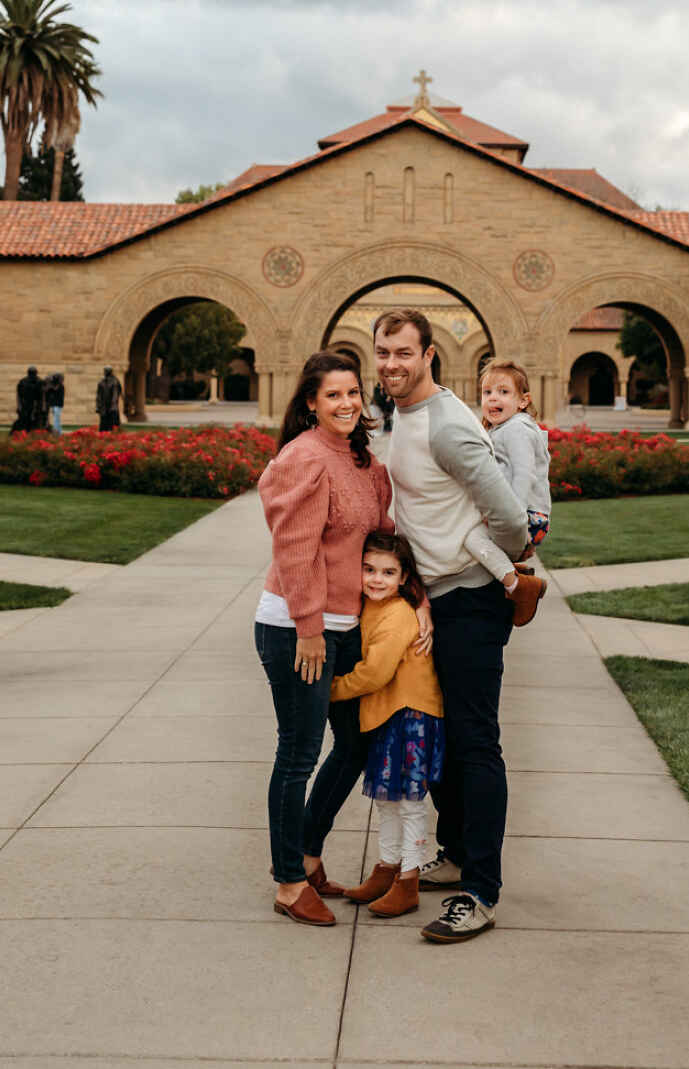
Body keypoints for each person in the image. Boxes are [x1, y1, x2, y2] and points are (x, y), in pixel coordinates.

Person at [254, 350, 432, 928]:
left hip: (344, 626)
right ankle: (287, 882)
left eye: (353, 392)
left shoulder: (366, 466)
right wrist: (308, 629)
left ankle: (307, 855)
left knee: (354, 746)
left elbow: (386, 544)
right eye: (333, 395)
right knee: (299, 752)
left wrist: (418, 599)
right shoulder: (302, 459)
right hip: (295, 628)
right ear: (311, 402)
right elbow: (295, 551)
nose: (347, 403)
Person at [374, 307, 526, 943]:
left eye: (403, 353)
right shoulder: (401, 415)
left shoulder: (446, 427)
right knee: (449, 745)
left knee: (474, 743)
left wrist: (471, 558)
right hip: (433, 599)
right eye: (382, 353)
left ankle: (481, 892)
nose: (390, 365)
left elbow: (513, 522)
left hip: (469, 600)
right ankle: (457, 855)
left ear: (429, 354)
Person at [331, 532, 444, 918]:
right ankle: (386, 868)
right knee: (386, 799)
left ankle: (408, 881)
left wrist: (332, 691)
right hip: (387, 713)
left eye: (388, 572)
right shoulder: (368, 607)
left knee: (410, 802)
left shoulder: (397, 613)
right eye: (369, 569)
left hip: (411, 714)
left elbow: (375, 672)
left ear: (403, 577)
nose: (376, 579)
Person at [462, 358, 552, 625]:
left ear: (523, 400)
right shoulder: (502, 428)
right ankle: (515, 570)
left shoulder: (517, 429)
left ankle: (520, 587)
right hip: (519, 514)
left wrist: (514, 518)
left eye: (503, 392)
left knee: (471, 539)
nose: (492, 399)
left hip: (527, 516)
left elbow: (525, 474)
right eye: (487, 392)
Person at [11, 366, 45, 433]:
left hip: (35, 404)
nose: (33, 375)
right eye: (31, 373)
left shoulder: (39, 382)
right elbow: (19, 395)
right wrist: (19, 406)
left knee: (36, 420)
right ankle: (23, 432)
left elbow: (42, 396)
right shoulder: (23, 382)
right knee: (24, 419)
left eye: (34, 373)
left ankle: (34, 433)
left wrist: (42, 406)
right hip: (25, 404)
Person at [96, 366, 122, 430]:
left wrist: (114, 405)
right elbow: (99, 395)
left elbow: (116, 394)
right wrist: (98, 406)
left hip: (112, 406)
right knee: (103, 424)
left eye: (107, 370)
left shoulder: (115, 381)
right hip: (103, 406)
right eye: (105, 370)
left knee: (111, 424)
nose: (105, 372)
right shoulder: (101, 382)